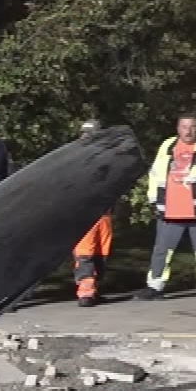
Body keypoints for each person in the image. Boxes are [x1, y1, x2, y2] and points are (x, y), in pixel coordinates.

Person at [136, 112, 196, 307]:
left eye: (192, 127)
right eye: (184, 127)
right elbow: (155, 174)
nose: (188, 131)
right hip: (170, 210)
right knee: (161, 251)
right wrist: (154, 200)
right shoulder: (167, 145)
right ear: (177, 128)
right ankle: (155, 287)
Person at [72, 120, 114, 307]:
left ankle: (94, 290)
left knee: (101, 254)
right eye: (85, 134)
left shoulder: (108, 157)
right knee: (85, 254)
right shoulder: (75, 159)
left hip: (104, 212)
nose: (87, 138)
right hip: (84, 213)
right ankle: (85, 293)